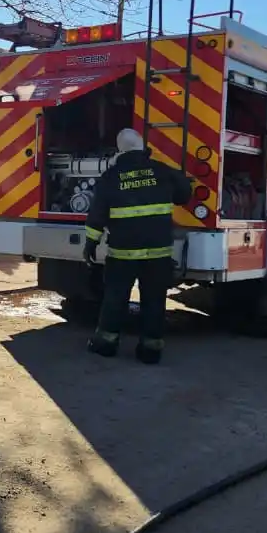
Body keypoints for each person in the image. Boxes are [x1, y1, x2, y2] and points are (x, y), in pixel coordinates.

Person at [83, 128, 193, 364]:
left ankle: (106, 344)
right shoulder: (161, 171)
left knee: (115, 297)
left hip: (123, 253)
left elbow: (97, 215)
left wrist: (91, 242)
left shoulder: (110, 178)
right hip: (158, 252)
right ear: (142, 148)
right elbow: (184, 193)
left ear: (119, 151)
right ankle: (150, 349)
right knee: (154, 299)